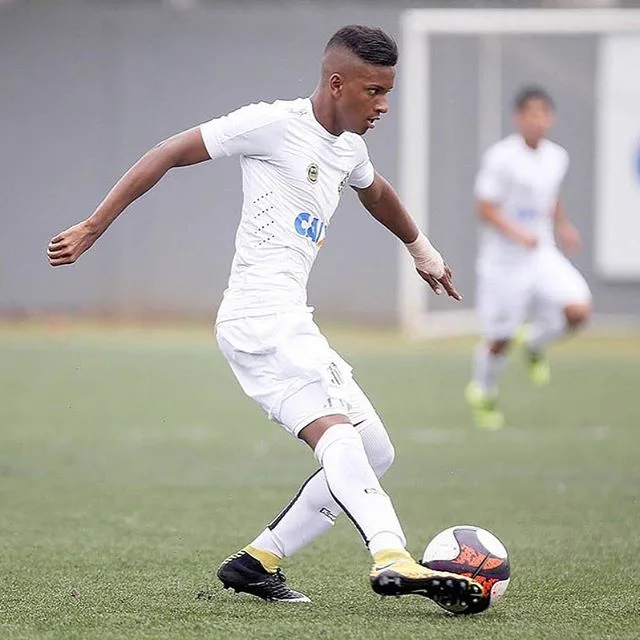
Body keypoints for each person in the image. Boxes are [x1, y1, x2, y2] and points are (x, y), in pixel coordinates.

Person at [48, 25, 482, 609]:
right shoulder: (272, 124)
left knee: (376, 452)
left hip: (286, 321)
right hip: (262, 317)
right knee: (340, 436)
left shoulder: (349, 146)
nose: (383, 106)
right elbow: (170, 153)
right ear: (337, 83)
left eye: (388, 94)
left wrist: (421, 249)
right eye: (374, 92)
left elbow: (375, 191)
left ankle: (257, 562)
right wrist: (94, 225)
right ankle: (391, 553)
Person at [466, 86, 592, 430]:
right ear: (518, 117)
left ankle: (535, 342)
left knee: (578, 310)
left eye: (544, 114)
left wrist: (563, 226)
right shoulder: (501, 157)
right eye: (530, 114)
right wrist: (517, 233)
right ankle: (483, 390)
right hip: (503, 262)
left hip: (541, 254)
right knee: (500, 339)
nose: (538, 121)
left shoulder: (557, 157)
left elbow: (551, 196)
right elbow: (485, 208)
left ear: (550, 118)